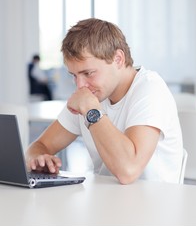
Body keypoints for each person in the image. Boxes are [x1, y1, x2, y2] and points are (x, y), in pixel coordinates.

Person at [26, 18, 183, 184]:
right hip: (107, 202)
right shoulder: (92, 93)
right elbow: (40, 145)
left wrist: (91, 110)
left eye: (88, 73)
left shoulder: (150, 88)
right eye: (74, 75)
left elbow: (128, 171)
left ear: (118, 59)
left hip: (154, 205)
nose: (80, 85)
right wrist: (37, 158)